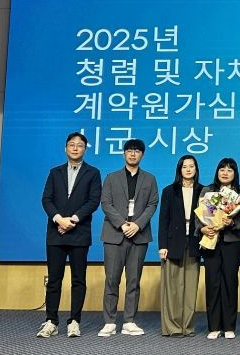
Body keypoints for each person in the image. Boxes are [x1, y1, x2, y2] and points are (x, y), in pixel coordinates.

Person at [37, 132, 102, 338]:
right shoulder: (54, 172)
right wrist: (59, 219)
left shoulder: (93, 173)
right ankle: (51, 321)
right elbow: (46, 199)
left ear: (85, 149)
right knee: (54, 279)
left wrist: (72, 220)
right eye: (72, 145)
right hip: (56, 232)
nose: (75, 148)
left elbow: (93, 201)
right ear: (65, 148)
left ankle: (74, 321)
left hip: (79, 233)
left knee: (78, 279)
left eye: (80, 145)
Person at [98, 138, 159, 337]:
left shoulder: (149, 179)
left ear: (142, 155)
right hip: (114, 234)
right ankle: (109, 322)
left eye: (137, 151)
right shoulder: (111, 177)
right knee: (111, 280)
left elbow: (152, 204)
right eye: (129, 151)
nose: (133, 154)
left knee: (134, 281)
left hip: (138, 236)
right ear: (124, 154)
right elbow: (106, 203)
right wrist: (122, 224)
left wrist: (137, 225)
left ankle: (129, 321)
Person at [197, 157, 240, 340]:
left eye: (229, 170)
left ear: (235, 173)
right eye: (222, 169)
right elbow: (199, 215)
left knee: (230, 281)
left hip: (231, 242)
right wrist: (202, 228)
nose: (225, 173)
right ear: (217, 172)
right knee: (213, 282)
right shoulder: (207, 190)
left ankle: (229, 326)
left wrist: (232, 222)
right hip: (211, 239)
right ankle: (214, 326)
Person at [158, 155, 203, 337]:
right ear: (179, 169)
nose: (188, 169)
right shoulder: (169, 191)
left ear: (196, 169)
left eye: (191, 166)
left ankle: (187, 326)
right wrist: (162, 245)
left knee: (190, 287)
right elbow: (163, 220)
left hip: (194, 242)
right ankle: (173, 327)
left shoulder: (203, 191)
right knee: (172, 288)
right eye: (185, 166)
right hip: (173, 243)